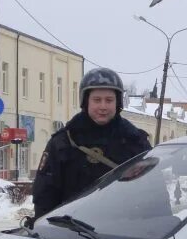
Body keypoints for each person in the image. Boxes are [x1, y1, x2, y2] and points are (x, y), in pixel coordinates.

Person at [31, 67, 152, 219]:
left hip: (124, 231)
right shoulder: (64, 142)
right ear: (85, 101)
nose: (103, 106)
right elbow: (45, 195)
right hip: (72, 232)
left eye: (109, 100)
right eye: (97, 100)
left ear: (118, 103)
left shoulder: (135, 141)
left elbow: (153, 190)